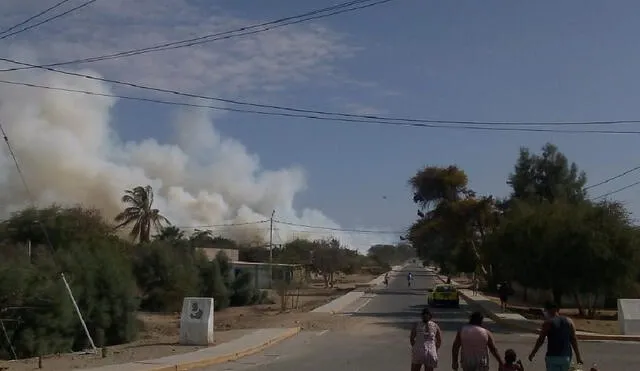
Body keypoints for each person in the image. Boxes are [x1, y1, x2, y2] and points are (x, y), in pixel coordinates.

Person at [528, 301, 584, 371]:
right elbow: (573, 339)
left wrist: (533, 353)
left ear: (550, 310)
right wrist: (578, 357)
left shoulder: (547, 323)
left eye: (547, 311)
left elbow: (540, 340)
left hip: (552, 357)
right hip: (566, 357)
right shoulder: (569, 321)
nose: (546, 313)